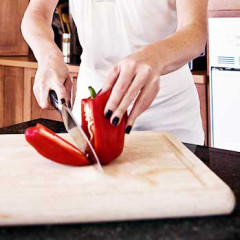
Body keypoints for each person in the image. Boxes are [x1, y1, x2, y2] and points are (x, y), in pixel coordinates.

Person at [21, 0, 208, 145]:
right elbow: (36, 13)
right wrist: (48, 56)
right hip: (91, 117)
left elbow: (195, 30)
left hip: (169, 120)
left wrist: (155, 56)